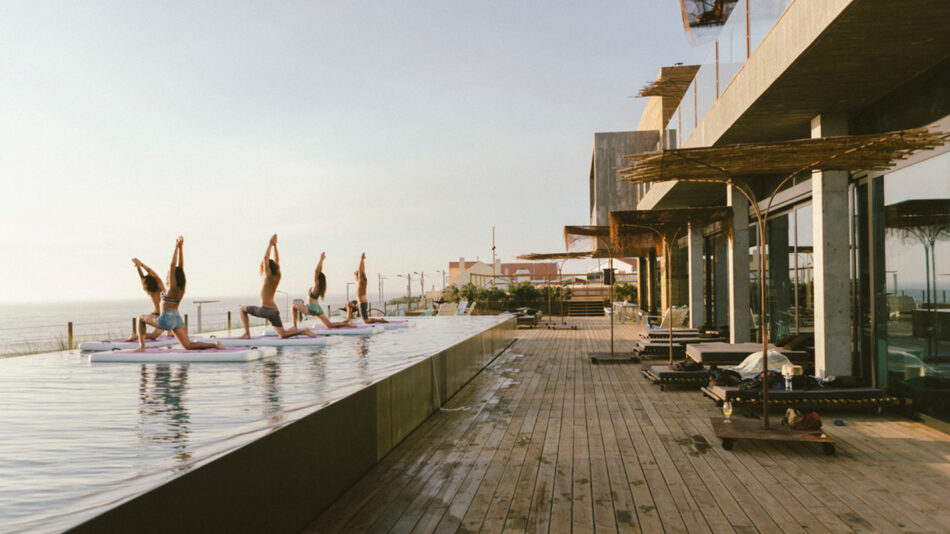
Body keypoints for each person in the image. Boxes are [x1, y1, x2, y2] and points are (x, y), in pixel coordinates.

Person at [135, 236, 222, 351]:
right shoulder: (181, 289)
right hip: (177, 319)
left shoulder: (172, 288)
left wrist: (176, 248)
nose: (167, 276)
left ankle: (142, 347)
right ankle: (215, 345)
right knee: (188, 345)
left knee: (140, 318)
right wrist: (181, 249)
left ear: (172, 278)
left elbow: (173, 266)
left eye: (169, 275)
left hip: (166, 319)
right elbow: (180, 267)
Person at [240, 234, 317, 339]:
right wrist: (275, 246)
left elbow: (265, 258)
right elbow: (277, 259)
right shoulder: (278, 276)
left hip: (266, 310)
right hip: (274, 310)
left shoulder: (268, 277)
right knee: (282, 334)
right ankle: (304, 331)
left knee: (242, 309)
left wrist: (270, 244)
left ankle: (247, 334)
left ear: (268, 268)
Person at [291, 252, 352, 329]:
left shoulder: (316, 286)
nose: (314, 276)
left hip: (312, 308)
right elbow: (318, 272)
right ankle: (347, 324)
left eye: (315, 276)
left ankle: (294, 326)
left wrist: (321, 259)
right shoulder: (319, 287)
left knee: (293, 306)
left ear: (318, 279)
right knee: (329, 325)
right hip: (317, 307)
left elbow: (317, 271)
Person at [124, 258, 166, 342]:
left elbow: (142, 278)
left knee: (154, 336)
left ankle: (135, 336)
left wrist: (138, 268)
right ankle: (135, 336)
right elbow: (153, 273)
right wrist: (141, 265)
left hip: (154, 314)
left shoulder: (148, 291)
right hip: (163, 315)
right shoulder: (161, 288)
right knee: (171, 318)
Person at [346, 253, 388, 323]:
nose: (355, 278)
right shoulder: (361, 282)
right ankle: (348, 319)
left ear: (358, 276)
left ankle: (380, 320)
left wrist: (362, 259)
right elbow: (361, 271)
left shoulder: (361, 281)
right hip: (359, 302)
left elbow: (360, 270)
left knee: (366, 321)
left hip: (362, 304)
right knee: (348, 303)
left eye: (355, 276)